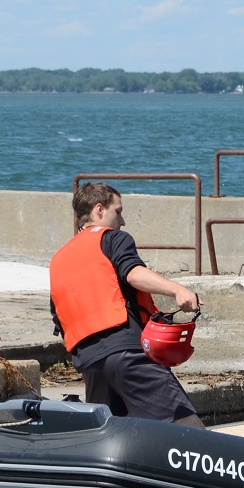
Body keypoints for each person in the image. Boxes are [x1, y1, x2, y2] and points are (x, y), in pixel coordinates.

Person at [49, 181, 204, 427]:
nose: (122, 221)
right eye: (118, 211)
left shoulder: (58, 259)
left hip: (90, 364)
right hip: (127, 353)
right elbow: (132, 273)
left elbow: (59, 317)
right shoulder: (113, 239)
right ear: (99, 210)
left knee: (112, 435)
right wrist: (177, 289)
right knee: (186, 429)